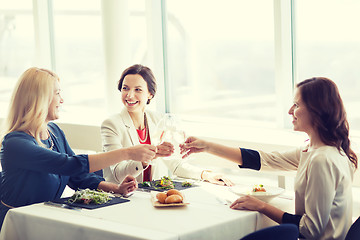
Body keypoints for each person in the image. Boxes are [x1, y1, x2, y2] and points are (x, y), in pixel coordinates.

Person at [180, 77, 357, 240]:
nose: (290, 111)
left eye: (296, 105)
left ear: (316, 111)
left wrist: (261, 206)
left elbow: (311, 230)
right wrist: (207, 146)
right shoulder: (316, 151)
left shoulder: (322, 159)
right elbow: (264, 160)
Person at [0, 67, 157, 229]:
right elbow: (70, 164)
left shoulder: (54, 132)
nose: (62, 100)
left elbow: (77, 175)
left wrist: (116, 188)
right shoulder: (15, 143)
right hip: (16, 224)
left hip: (44, 218)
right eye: (57, 93)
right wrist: (128, 152)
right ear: (39, 99)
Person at [101, 64, 233, 186]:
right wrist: (150, 156)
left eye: (138, 90)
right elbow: (118, 174)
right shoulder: (111, 125)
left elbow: (175, 163)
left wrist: (206, 174)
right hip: (122, 199)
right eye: (125, 88)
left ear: (150, 94)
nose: (130, 95)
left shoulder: (158, 120)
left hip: (153, 196)